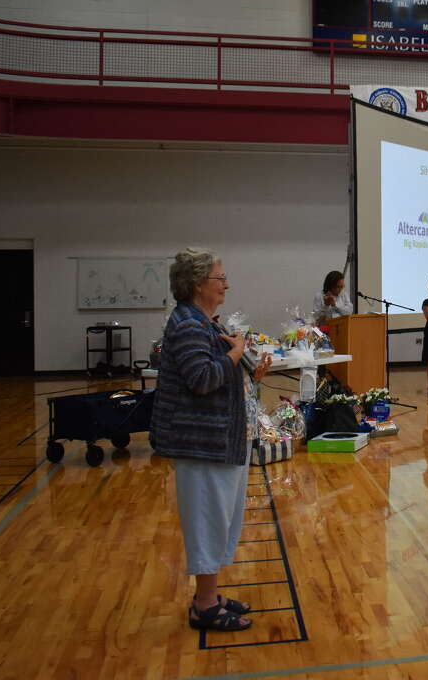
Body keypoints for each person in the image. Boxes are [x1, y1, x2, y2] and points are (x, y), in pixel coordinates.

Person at [150, 247, 273, 632]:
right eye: (220, 278)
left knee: (220, 521)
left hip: (218, 441)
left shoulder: (204, 321)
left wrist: (247, 368)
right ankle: (205, 605)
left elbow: (214, 374)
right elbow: (202, 379)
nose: (226, 284)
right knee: (207, 522)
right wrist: (235, 355)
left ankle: (211, 594)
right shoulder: (188, 324)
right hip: (200, 443)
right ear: (198, 283)